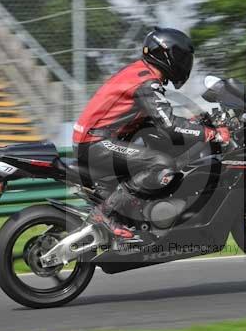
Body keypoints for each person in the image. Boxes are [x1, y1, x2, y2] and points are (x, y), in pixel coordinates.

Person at [73, 27, 230, 240]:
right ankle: (105, 213)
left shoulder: (141, 72)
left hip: (96, 138)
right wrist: (211, 134)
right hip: (96, 141)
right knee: (161, 164)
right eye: (181, 57)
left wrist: (194, 124)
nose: (185, 63)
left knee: (158, 150)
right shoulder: (147, 82)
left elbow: (158, 118)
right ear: (166, 55)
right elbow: (169, 124)